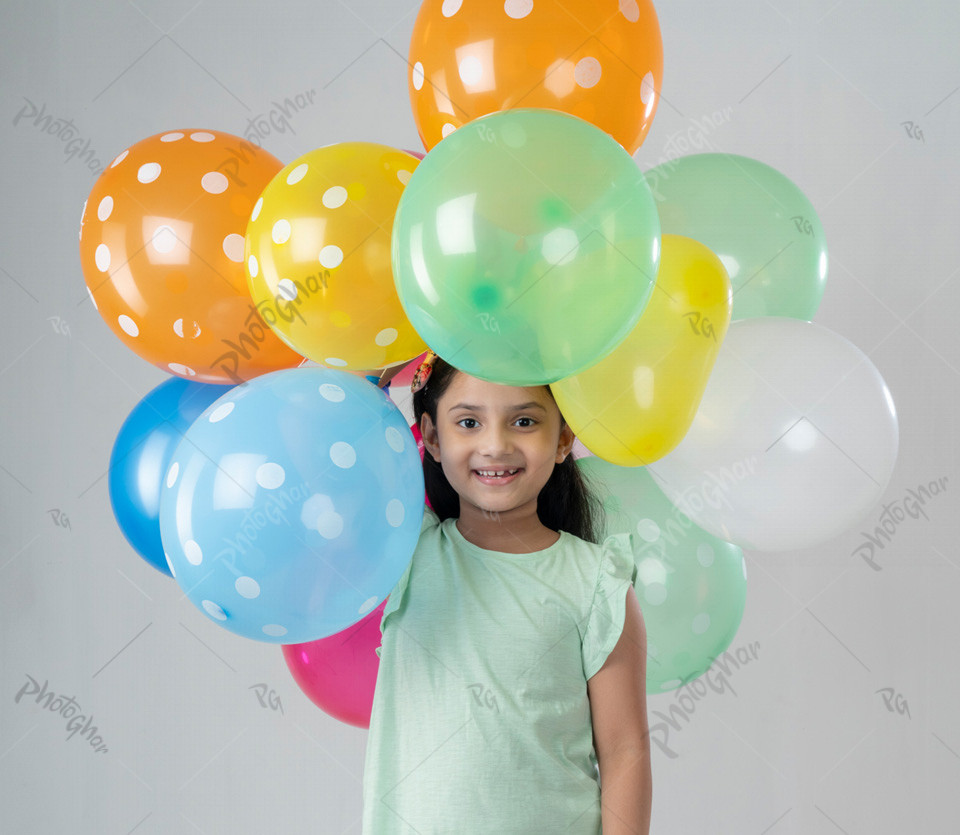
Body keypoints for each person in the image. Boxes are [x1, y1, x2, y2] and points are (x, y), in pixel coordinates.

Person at [362, 351, 652, 834]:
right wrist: (373, 369)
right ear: (432, 437)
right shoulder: (405, 552)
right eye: (469, 422)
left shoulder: (597, 580)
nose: (495, 445)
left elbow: (625, 752)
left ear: (563, 438)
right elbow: (328, 453)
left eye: (523, 420)